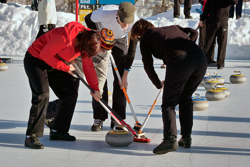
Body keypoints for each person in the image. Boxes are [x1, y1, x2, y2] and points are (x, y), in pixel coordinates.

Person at [24, 21, 113, 149]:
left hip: (55, 61)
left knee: (70, 93)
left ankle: (58, 130)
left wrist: (95, 89)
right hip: (36, 59)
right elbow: (45, 54)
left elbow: (88, 68)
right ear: (85, 44)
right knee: (42, 94)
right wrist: (66, 68)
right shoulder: (65, 37)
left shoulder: (89, 41)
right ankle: (31, 136)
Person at [131, 19, 207, 154]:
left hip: (180, 61)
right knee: (185, 98)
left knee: (168, 103)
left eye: (137, 38)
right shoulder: (173, 27)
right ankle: (186, 138)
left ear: (139, 33)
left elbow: (147, 65)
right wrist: (187, 49)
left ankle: (170, 140)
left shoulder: (146, 37)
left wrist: (158, 83)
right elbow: (194, 32)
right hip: (199, 58)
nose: (138, 40)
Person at [84, 2, 139, 131]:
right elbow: (88, 19)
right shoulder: (104, 13)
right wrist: (97, 35)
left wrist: (126, 73)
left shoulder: (135, 21)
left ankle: (117, 118)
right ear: (117, 15)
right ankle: (99, 117)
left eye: (128, 23)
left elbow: (132, 50)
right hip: (102, 37)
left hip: (120, 40)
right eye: (123, 22)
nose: (126, 26)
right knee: (99, 79)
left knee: (121, 81)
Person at [198, 0, 238, 69]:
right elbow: (207, 6)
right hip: (211, 22)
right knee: (208, 42)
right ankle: (206, 61)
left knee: (222, 43)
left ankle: (220, 63)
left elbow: (234, 2)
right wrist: (202, 19)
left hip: (223, 22)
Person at [197, 0, 216, 64]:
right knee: (202, 38)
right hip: (203, 14)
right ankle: (200, 57)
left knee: (212, 39)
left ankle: (210, 58)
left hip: (213, 16)